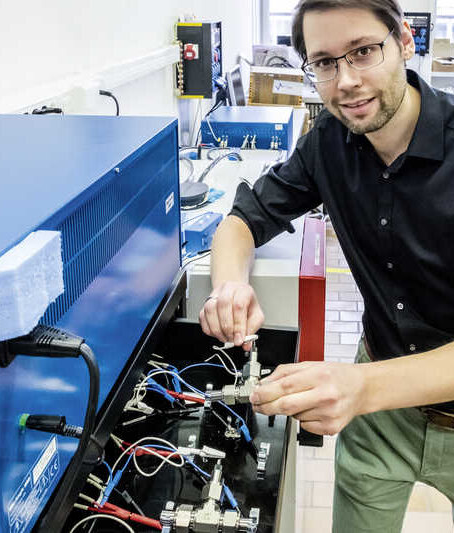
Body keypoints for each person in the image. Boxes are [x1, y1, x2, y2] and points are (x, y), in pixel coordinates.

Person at [199, 1, 454, 531]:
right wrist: (229, 287)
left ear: (404, 41)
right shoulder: (329, 144)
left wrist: (362, 387)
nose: (346, 82)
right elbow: (243, 220)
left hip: (378, 388)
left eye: (363, 51)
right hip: (381, 415)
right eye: (324, 62)